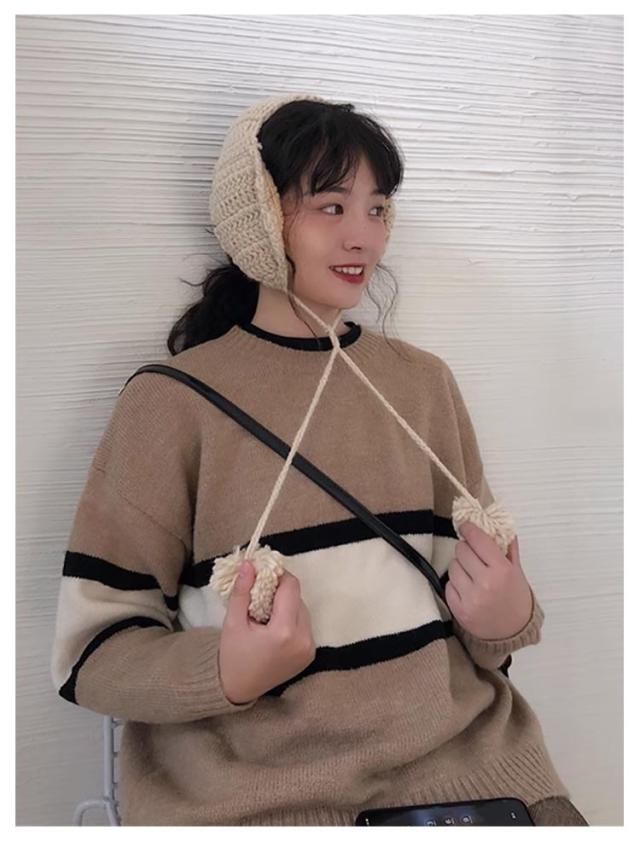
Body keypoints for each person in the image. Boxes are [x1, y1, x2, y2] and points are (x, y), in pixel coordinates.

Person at [50, 93, 588, 826]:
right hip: (260, 799)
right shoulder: (171, 404)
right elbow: (90, 652)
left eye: (378, 208)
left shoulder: (422, 383)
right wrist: (226, 671)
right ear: (259, 217)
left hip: (471, 774)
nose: (364, 236)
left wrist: (508, 616)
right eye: (331, 207)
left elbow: (479, 621)